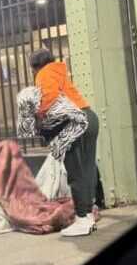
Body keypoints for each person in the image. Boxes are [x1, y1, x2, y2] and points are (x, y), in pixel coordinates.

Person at [29, 48, 99, 237]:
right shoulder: (59, 71)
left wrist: (39, 113)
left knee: (76, 172)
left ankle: (82, 218)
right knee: (87, 169)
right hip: (89, 117)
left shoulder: (44, 73)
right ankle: (89, 216)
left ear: (35, 67)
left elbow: (49, 97)